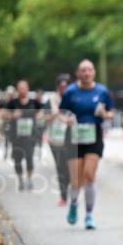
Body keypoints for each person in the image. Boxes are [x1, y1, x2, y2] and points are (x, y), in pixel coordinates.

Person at [59, 59, 115, 229]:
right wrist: (67, 119)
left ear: (94, 72)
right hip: (74, 137)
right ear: (78, 73)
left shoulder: (102, 91)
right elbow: (61, 113)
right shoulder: (70, 92)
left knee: (89, 175)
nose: (86, 73)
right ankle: (74, 204)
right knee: (76, 180)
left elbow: (112, 113)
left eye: (89, 70)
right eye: (83, 70)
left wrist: (104, 114)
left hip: (94, 136)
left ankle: (89, 215)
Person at [3, 79, 44, 191]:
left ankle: (29, 179)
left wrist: (38, 116)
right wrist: (12, 115)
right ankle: (20, 179)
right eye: (20, 88)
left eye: (24, 87)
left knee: (30, 159)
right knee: (17, 160)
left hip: (30, 136)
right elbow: (3, 114)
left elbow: (42, 112)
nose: (22, 90)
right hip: (16, 137)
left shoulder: (34, 102)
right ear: (18, 90)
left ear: (27, 89)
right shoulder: (13, 103)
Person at [47, 75, 73, 206]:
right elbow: (45, 119)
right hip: (54, 139)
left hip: (69, 137)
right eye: (61, 86)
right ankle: (63, 195)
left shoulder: (72, 98)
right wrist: (55, 113)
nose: (64, 88)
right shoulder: (51, 99)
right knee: (60, 166)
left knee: (69, 166)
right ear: (57, 87)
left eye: (66, 86)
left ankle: (68, 187)